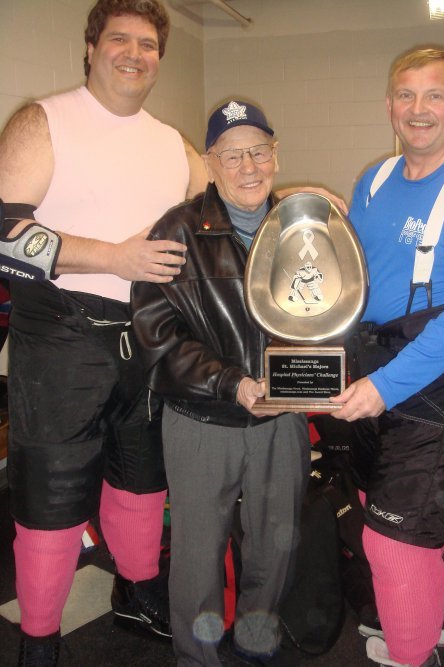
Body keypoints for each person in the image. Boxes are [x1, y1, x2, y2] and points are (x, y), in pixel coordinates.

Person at [0, 1, 209, 664]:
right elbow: (4, 235)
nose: (134, 53)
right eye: (119, 38)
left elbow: (231, 216)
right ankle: (38, 638)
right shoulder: (44, 121)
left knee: (143, 480)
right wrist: (111, 256)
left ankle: (136, 589)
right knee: (52, 496)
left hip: (147, 339)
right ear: (91, 47)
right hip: (62, 338)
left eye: (148, 43)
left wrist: (304, 216)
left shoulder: (172, 144)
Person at [330, 47, 444, 667]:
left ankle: (413, 652)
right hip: (374, 365)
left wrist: (383, 387)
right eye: (406, 95)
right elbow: (351, 283)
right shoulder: (372, 180)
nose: (419, 109)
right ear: (389, 106)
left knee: (396, 540)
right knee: (395, 516)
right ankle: (434, 616)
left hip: (441, 380)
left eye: (435, 95)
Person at [131, 100, 311, 667]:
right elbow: (155, 337)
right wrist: (231, 383)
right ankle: (197, 658)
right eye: (232, 155)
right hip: (203, 420)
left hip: (282, 422)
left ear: (276, 154)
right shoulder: (175, 231)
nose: (248, 166)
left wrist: (309, 382)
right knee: (197, 554)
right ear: (211, 163)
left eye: (258, 151)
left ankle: (257, 646)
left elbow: (331, 317)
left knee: (275, 547)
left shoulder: (305, 228)